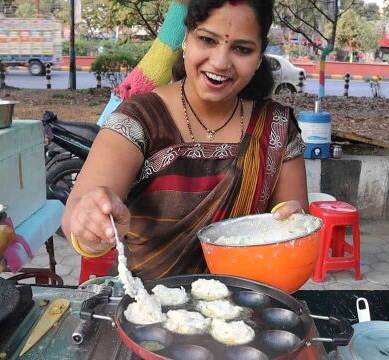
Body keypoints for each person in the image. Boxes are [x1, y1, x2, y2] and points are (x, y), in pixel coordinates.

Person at [62, 0, 308, 281]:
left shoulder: (275, 126)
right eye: (207, 40)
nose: (220, 62)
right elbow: (76, 214)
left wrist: (290, 226)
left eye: (242, 49)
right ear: (186, 39)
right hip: (146, 312)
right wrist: (90, 227)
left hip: (245, 311)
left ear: (260, 54)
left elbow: (295, 227)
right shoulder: (141, 118)